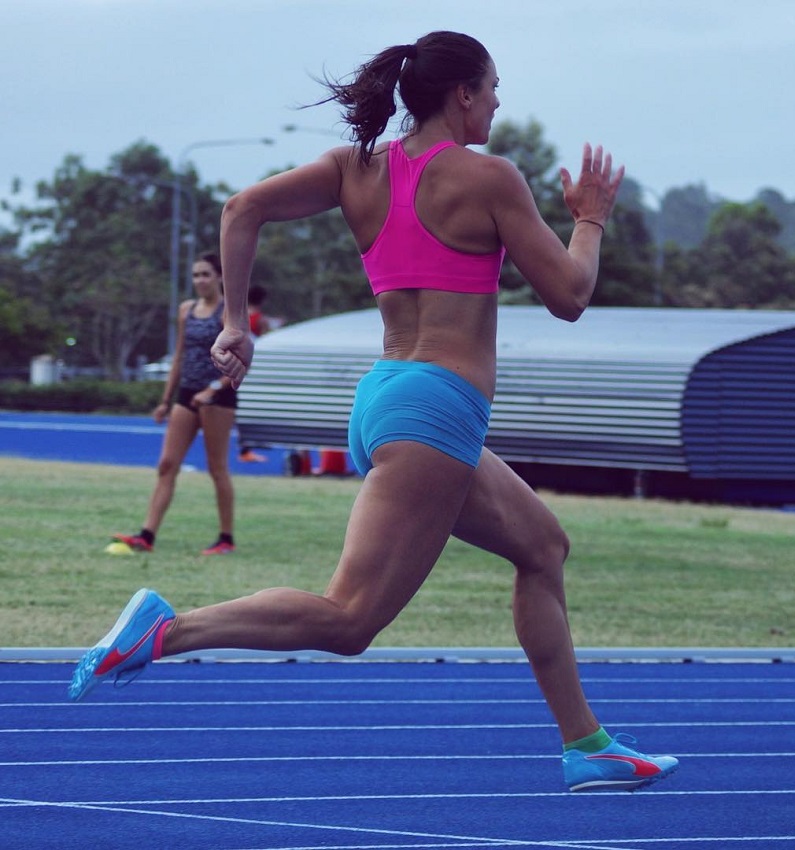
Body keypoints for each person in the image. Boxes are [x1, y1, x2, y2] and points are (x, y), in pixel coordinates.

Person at [71, 31, 678, 792]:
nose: (496, 103)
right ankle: (167, 631)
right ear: (462, 94)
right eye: (492, 90)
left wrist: (232, 324)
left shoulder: (353, 170)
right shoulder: (490, 178)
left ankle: (586, 745)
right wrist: (589, 219)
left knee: (542, 548)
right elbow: (570, 296)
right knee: (350, 620)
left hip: (392, 397)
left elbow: (241, 207)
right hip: (435, 408)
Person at [112, 252, 237, 556]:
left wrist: (211, 390)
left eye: (205, 274)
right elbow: (179, 356)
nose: (200, 281)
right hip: (186, 393)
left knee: (216, 468)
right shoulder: (187, 310)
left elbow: (239, 360)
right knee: (167, 465)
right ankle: (146, 536)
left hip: (217, 397)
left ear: (219, 277)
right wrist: (165, 400)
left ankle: (225, 539)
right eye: (195, 275)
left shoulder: (227, 311)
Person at [238, 284, 271, 462]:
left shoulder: (239, 318)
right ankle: (247, 447)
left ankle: (246, 446)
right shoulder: (260, 320)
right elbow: (268, 342)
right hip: (255, 366)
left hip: (241, 364)